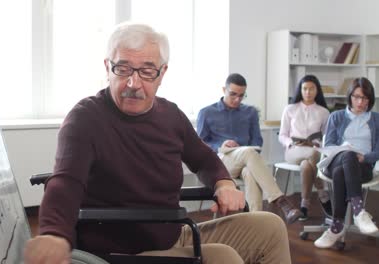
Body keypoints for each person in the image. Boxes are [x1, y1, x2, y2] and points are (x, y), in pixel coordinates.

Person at [24, 22, 291, 264]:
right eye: (123, 68)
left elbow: (203, 158)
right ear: (108, 67)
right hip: (127, 251)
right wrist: (54, 235)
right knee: (225, 258)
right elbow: (65, 183)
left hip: (174, 234)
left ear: (162, 73)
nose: (133, 83)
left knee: (270, 226)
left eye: (147, 71)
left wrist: (223, 183)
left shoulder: (170, 115)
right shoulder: (85, 118)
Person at [196, 73, 302, 223]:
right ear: (223, 90)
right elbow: (200, 145)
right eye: (233, 94)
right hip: (221, 161)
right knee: (248, 153)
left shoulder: (250, 113)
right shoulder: (206, 112)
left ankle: (255, 223)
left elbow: (257, 142)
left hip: (246, 160)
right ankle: (281, 201)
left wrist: (243, 149)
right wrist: (221, 146)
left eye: (241, 95)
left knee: (250, 171)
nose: (237, 99)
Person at [314, 77, 379, 249]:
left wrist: (364, 158)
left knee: (342, 170)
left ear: (370, 99)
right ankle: (359, 211)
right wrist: (346, 151)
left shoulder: (377, 119)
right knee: (347, 155)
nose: (360, 102)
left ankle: (336, 226)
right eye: (356, 96)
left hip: (363, 167)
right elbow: (328, 145)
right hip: (335, 161)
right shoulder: (336, 117)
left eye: (364, 98)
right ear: (350, 96)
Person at [278, 75, 332, 221]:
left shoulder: (324, 112)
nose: (308, 92)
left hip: (313, 151)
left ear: (317, 90)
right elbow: (282, 135)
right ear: (300, 90)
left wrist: (317, 144)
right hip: (293, 151)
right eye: (305, 88)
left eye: (311, 89)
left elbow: (327, 138)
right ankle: (323, 194)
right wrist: (291, 143)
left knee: (306, 166)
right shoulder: (290, 109)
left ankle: (304, 206)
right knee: (313, 155)